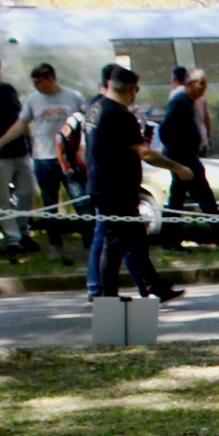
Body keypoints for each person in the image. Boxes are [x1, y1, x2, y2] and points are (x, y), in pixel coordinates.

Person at [88, 65, 187, 301]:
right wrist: (179, 168)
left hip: (101, 183)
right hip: (116, 188)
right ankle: (107, 296)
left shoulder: (96, 108)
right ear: (132, 90)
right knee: (114, 244)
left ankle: (154, 287)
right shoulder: (120, 115)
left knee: (135, 241)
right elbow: (146, 153)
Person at [0, 62, 85, 260]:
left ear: (51, 79)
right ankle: (44, 242)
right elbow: (22, 122)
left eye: (39, 82)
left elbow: (85, 122)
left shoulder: (73, 97)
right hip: (35, 158)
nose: (36, 86)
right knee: (46, 202)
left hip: (60, 158)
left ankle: (89, 241)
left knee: (78, 200)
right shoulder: (34, 100)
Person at [0, 55, 39, 256]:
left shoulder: (8, 90)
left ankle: (22, 230)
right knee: (3, 199)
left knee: (27, 193)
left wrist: (30, 138)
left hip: (21, 151)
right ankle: (13, 239)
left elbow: (21, 118)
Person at [159, 68, 218, 216]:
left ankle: (171, 230)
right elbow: (164, 129)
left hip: (188, 155)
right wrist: (175, 150)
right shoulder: (179, 101)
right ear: (190, 84)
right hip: (182, 156)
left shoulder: (189, 102)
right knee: (202, 193)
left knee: (179, 195)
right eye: (201, 83)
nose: (204, 88)